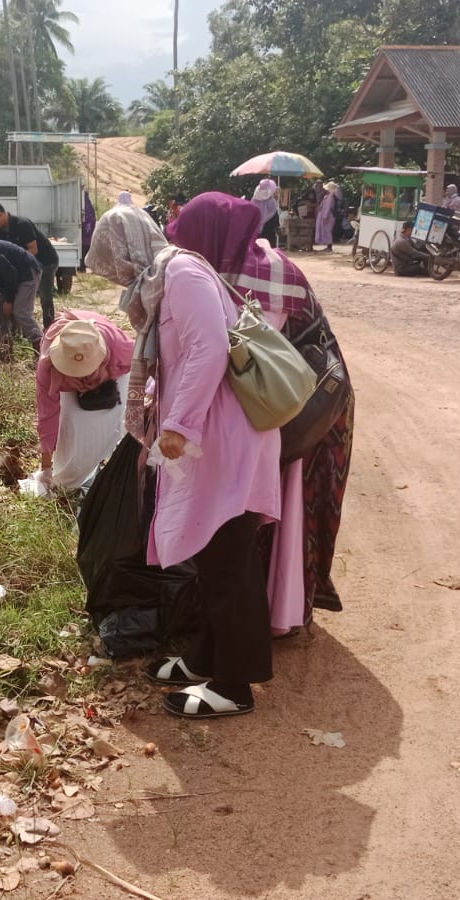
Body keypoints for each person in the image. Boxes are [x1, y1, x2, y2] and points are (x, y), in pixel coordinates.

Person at [85, 202, 282, 719]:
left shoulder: (179, 272)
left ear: (130, 248)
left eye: (115, 263)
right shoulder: (161, 281)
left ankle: (236, 683)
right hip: (209, 435)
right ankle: (205, 655)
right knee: (212, 552)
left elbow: (210, 347)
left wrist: (178, 425)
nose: (117, 275)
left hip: (224, 434)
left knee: (228, 556)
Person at [170, 192, 356, 636]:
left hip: (241, 420)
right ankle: (284, 613)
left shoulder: (207, 278)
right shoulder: (285, 268)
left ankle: (231, 633)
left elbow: (204, 354)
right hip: (297, 409)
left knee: (230, 526)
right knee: (289, 511)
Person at [35, 311, 134, 490]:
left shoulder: (120, 348)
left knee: (113, 421)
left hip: (113, 370)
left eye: (85, 371)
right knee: (71, 421)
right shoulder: (49, 367)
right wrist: (46, 467)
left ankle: (108, 465)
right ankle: (70, 477)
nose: (82, 378)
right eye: (75, 371)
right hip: (66, 375)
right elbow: (47, 415)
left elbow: (143, 373)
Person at [0, 200, 60, 328]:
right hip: (25, 265)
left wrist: (15, 267)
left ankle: (49, 329)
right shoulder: (0, 232)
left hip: (45, 262)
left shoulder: (22, 224)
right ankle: (17, 330)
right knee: (16, 297)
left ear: (0, 214)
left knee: (45, 297)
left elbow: (33, 250)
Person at [252, 178, 280, 246]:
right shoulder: (271, 202)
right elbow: (275, 218)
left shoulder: (254, 201)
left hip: (255, 232)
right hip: (269, 233)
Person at [314, 181, 341, 252]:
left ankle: (329, 246)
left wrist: (325, 216)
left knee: (328, 231)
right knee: (326, 230)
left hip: (328, 216)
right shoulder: (328, 196)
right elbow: (323, 206)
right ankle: (328, 246)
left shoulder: (331, 197)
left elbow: (328, 207)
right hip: (325, 215)